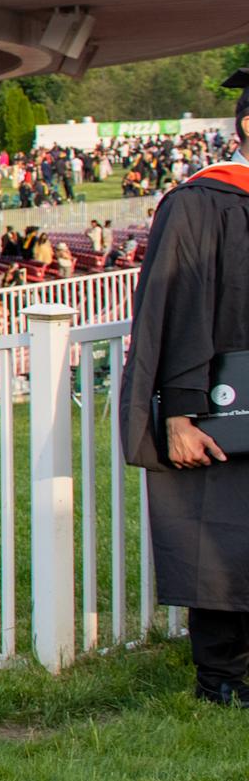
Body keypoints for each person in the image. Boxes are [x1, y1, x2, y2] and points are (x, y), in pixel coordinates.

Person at [120, 86, 249, 707]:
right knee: (218, 527)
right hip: (222, 404)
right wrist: (178, 410)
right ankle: (222, 679)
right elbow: (177, 308)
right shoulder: (201, 202)